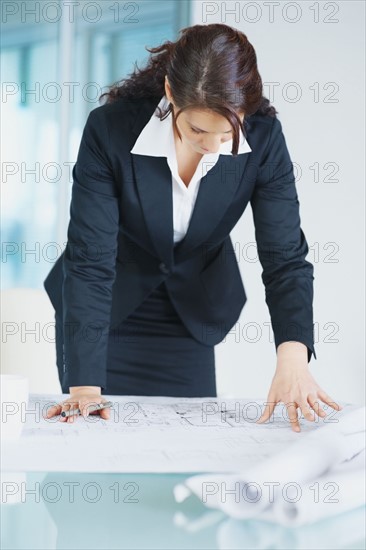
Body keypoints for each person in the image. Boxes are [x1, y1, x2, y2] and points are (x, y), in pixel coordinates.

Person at [44, 23, 342, 430]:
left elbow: (284, 258)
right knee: (95, 438)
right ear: (170, 94)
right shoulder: (109, 131)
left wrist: (292, 357)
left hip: (191, 312)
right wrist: (84, 389)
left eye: (227, 133)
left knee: (184, 442)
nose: (212, 147)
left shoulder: (265, 141)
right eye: (197, 130)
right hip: (104, 310)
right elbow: (89, 262)